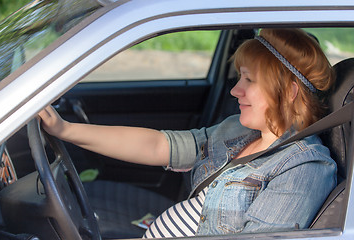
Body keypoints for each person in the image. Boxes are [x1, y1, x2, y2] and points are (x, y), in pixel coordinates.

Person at [39, 28, 337, 237]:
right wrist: (65, 129)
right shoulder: (237, 131)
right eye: (239, 77)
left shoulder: (304, 168)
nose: (235, 90)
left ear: (289, 92)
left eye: (249, 80)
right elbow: (158, 145)